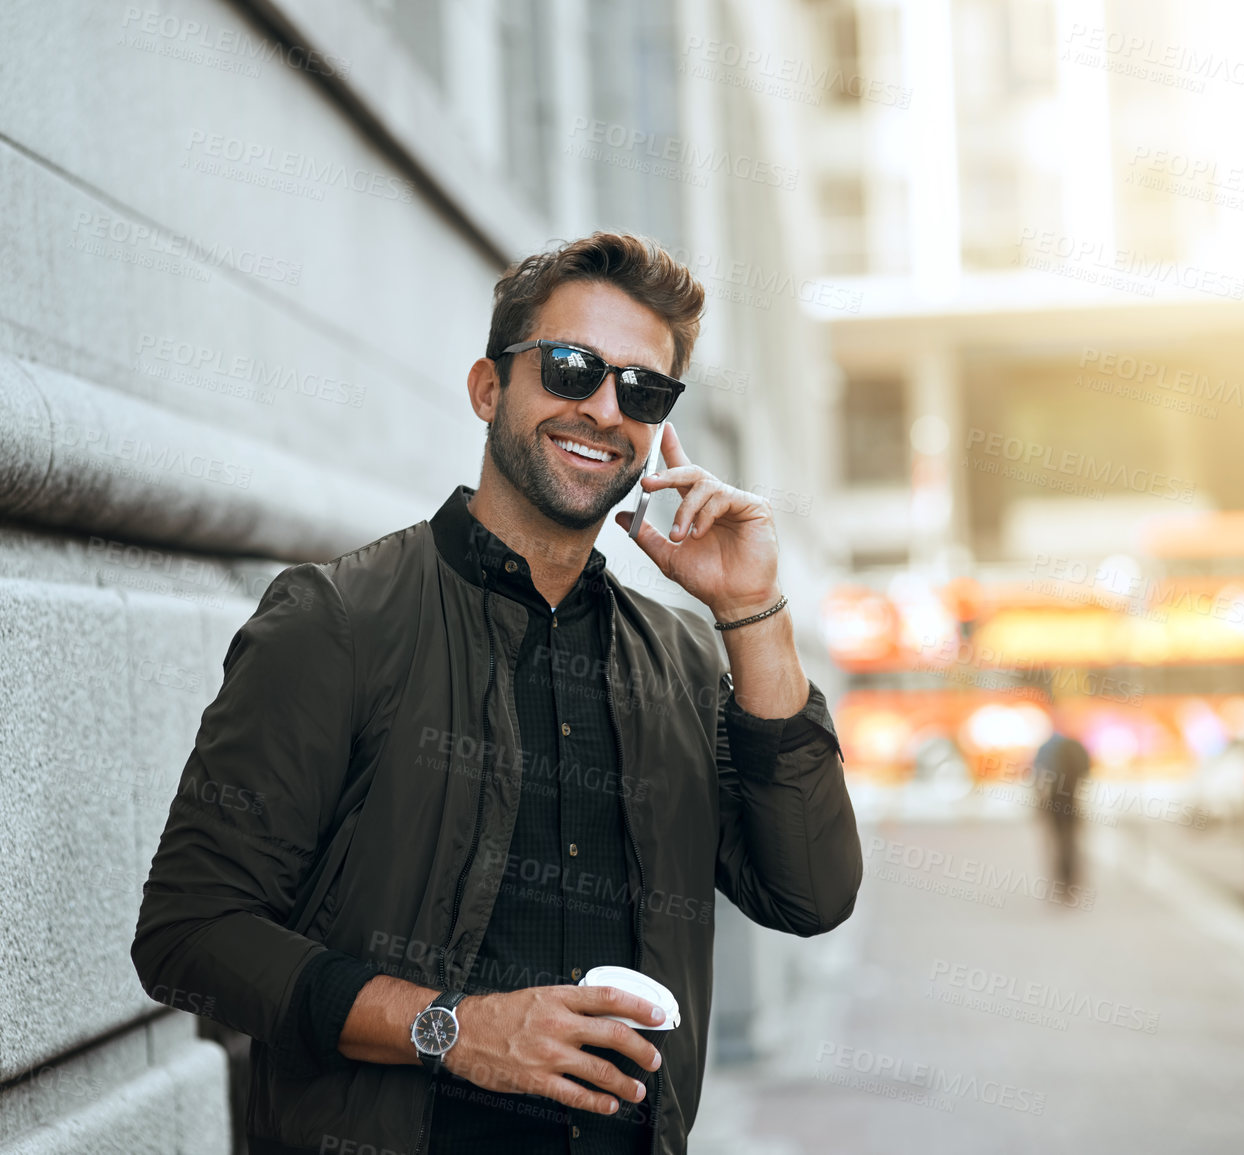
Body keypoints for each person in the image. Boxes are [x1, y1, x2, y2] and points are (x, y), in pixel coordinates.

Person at [132, 231, 863, 1155]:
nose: (603, 408)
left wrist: (753, 610)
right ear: (489, 388)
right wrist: (454, 1028)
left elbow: (812, 892)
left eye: (642, 390)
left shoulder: (680, 660)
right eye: (569, 368)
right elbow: (191, 934)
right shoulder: (339, 621)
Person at [1032, 708, 1092, 891]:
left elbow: (1038, 775)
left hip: (1054, 799)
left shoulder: (1047, 747)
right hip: (1072, 798)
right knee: (1071, 839)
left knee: (1057, 840)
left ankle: (1061, 879)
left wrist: (1038, 799)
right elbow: (1087, 771)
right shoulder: (1077, 746)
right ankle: (1072, 878)